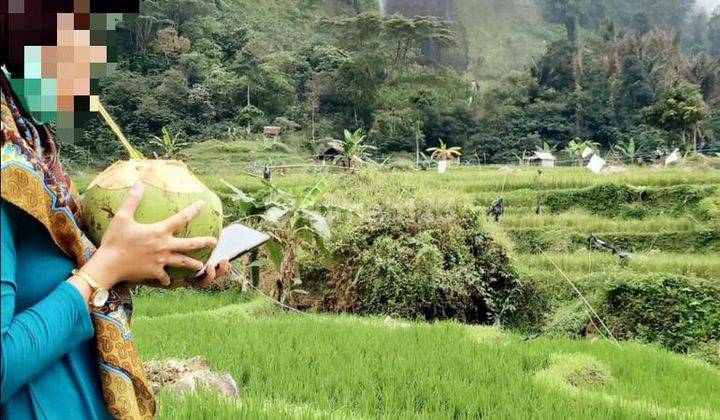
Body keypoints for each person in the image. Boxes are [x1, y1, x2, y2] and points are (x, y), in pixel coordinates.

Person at [1, 2, 230, 418]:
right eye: (81, 36)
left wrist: (157, 262)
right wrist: (102, 271)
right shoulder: (5, 165)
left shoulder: (34, 151)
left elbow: (58, 282)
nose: (94, 61)